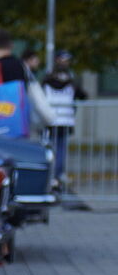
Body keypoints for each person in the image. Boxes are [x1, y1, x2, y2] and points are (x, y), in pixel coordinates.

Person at [43, 50, 87, 186]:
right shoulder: (72, 82)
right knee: (60, 149)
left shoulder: (47, 79)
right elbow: (83, 96)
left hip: (50, 120)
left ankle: (52, 176)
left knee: (50, 149)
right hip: (65, 120)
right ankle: (58, 174)